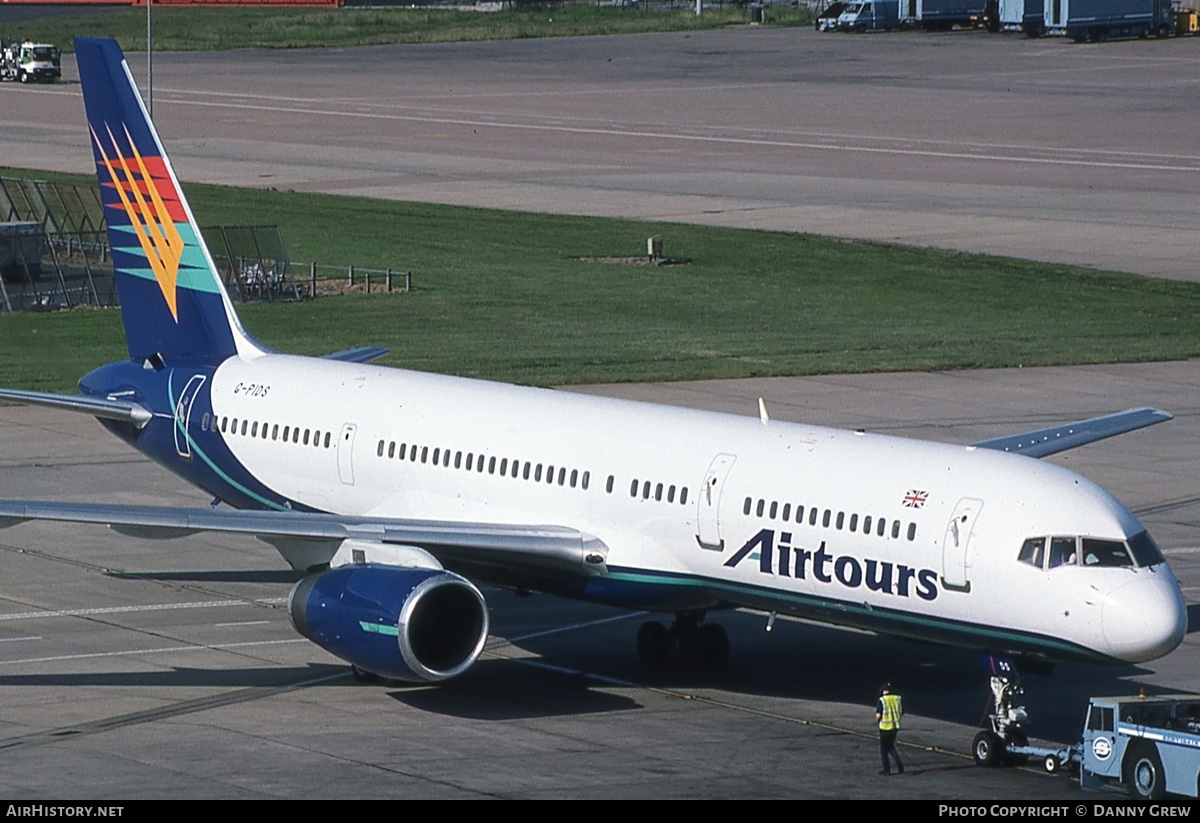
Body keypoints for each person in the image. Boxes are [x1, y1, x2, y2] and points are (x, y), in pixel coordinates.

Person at [876, 683, 904, 775]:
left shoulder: (882, 700)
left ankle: (887, 769)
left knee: (884, 749)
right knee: (890, 746)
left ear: (884, 691)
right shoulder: (897, 699)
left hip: (885, 728)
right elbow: (902, 712)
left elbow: (878, 715)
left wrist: (877, 721)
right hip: (895, 727)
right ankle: (899, 764)